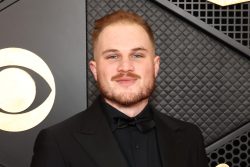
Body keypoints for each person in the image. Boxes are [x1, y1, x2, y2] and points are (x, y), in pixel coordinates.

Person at [31, 10, 209, 167]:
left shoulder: (189, 138)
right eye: (113, 56)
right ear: (95, 69)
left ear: (155, 66)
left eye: (137, 55)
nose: (125, 67)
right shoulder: (58, 142)